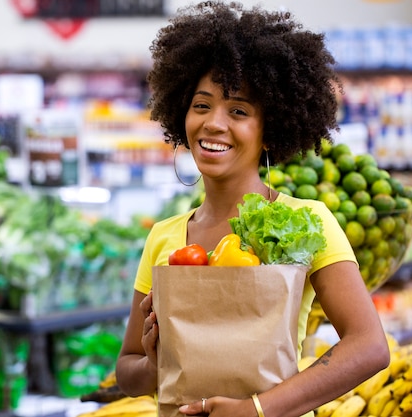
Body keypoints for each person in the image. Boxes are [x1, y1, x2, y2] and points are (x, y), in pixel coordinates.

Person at [115, 2, 390, 417]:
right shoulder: (165, 236)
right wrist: (155, 363)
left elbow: (369, 346)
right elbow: (126, 370)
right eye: (202, 105)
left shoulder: (305, 222)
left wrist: (257, 409)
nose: (213, 123)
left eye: (239, 111)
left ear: (270, 130)